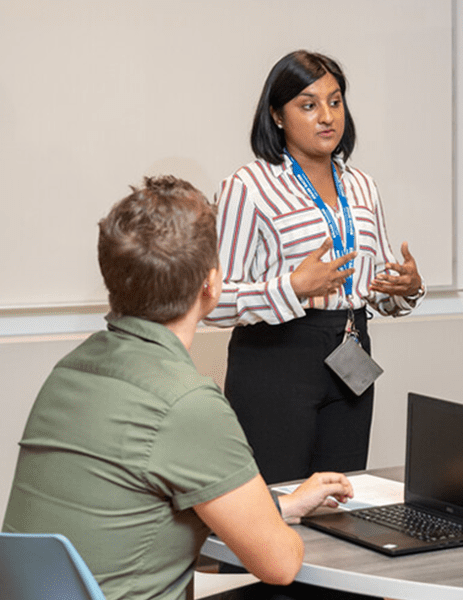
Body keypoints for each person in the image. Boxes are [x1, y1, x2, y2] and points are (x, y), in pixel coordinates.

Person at [2, 176, 355, 600]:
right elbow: (280, 564)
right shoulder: (186, 403)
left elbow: (128, 505)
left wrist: (283, 507)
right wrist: (281, 530)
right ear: (212, 284)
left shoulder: (71, 370)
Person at [206, 50, 425, 484]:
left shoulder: (362, 186)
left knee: (341, 499)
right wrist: (291, 288)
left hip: (351, 350)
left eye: (335, 101)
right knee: (276, 505)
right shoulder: (247, 187)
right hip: (276, 359)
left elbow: (374, 290)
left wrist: (405, 289)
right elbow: (211, 301)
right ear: (278, 115)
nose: (326, 116)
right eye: (308, 105)